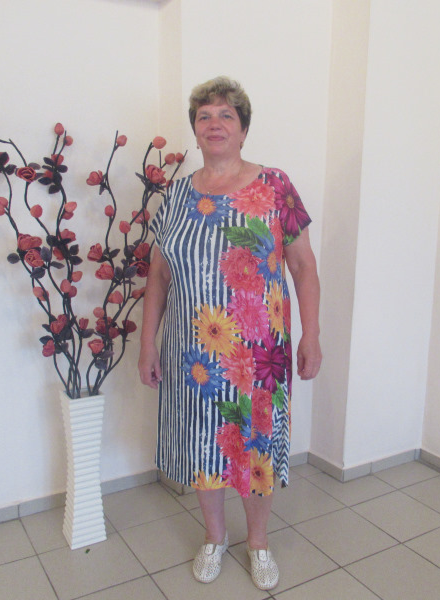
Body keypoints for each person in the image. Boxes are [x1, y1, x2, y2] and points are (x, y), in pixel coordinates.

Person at [138, 76, 321, 591]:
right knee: (205, 444)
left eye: (226, 115)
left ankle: (257, 542)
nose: (214, 123)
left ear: (243, 129)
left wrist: (311, 335)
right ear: (195, 130)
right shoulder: (176, 195)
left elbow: (303, 266)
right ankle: (214, 537)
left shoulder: (276, 186)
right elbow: (158, 275)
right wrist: (148, 342)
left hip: (258, 353)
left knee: (254, 444)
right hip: (193, 352)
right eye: (205, 116)